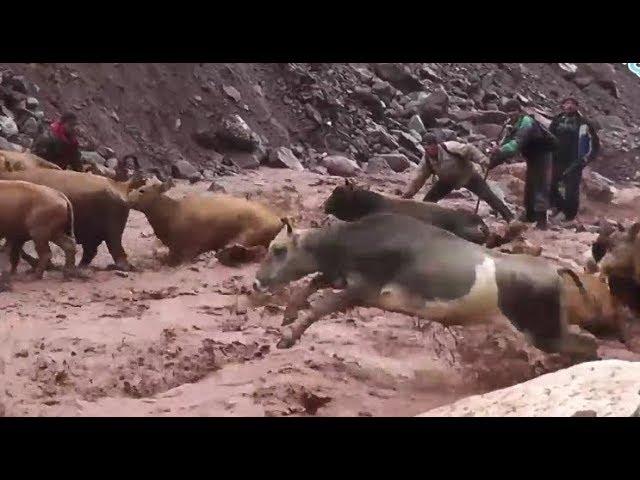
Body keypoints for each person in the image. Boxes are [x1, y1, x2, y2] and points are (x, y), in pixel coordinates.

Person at [402, 133, 514, 222]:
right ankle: (428, 221)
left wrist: (483, 161)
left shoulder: (450, 147)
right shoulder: (426, 159)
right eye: (425, 147)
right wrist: (407, 194)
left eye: (429, 146)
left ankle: (510, 218)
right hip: (447, 181)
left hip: (467, 175)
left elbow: (470, 149)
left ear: (435, 144)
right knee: (428, 201)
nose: (427, 149)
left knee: (489, 196)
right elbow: (418, 178)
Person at [488, 99, 558, 230]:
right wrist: (492, 161)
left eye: (512, 111)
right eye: (507, 112)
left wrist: (500, 150)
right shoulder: (512, 124)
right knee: (530, 185)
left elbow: (516, 144)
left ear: (519, 111)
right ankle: (530, 215)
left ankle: (542, 221)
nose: (510, 115)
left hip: (543, 155)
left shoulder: (526, 122)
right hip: (532, 156)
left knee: (540, 185)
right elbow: (506, 143)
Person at [549, 97, 600, 221]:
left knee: (571, 189)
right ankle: (558, 208)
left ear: (577, 107)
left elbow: (594, 144)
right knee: (551, 185)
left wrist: (585, 160)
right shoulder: (557, 120)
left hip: (574, 161)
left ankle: (569, 216)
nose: (569, 106)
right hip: (557, 159)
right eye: (567, 103)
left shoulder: (584, 123)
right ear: (563, 106)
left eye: (572, 104)